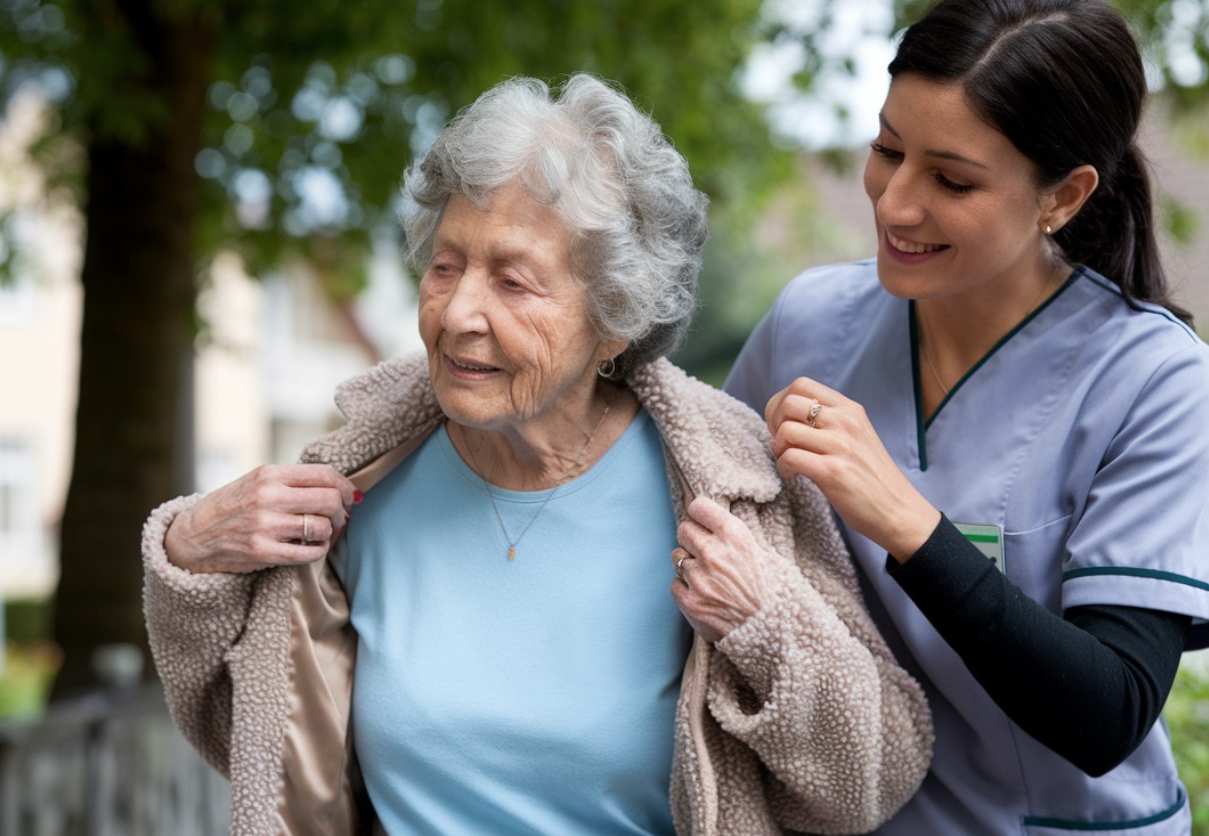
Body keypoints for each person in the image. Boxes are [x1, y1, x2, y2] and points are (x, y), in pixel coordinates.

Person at [142, 73, 933, 835]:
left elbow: (873, 779)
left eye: (513, 282)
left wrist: (768, 624)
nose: (458, 314)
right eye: (444, 267)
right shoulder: (354, 483)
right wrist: (190, 558)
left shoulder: (733, 485)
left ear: (616, 318)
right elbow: (246, 743)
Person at [724, 1, 1209, 832]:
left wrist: (908, 524)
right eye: (888, 149)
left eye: (951, 180)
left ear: (1062, 198)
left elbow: (1110, 713)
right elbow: (704, 503)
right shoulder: (809, 320)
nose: (894, 203)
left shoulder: (1156, 380)